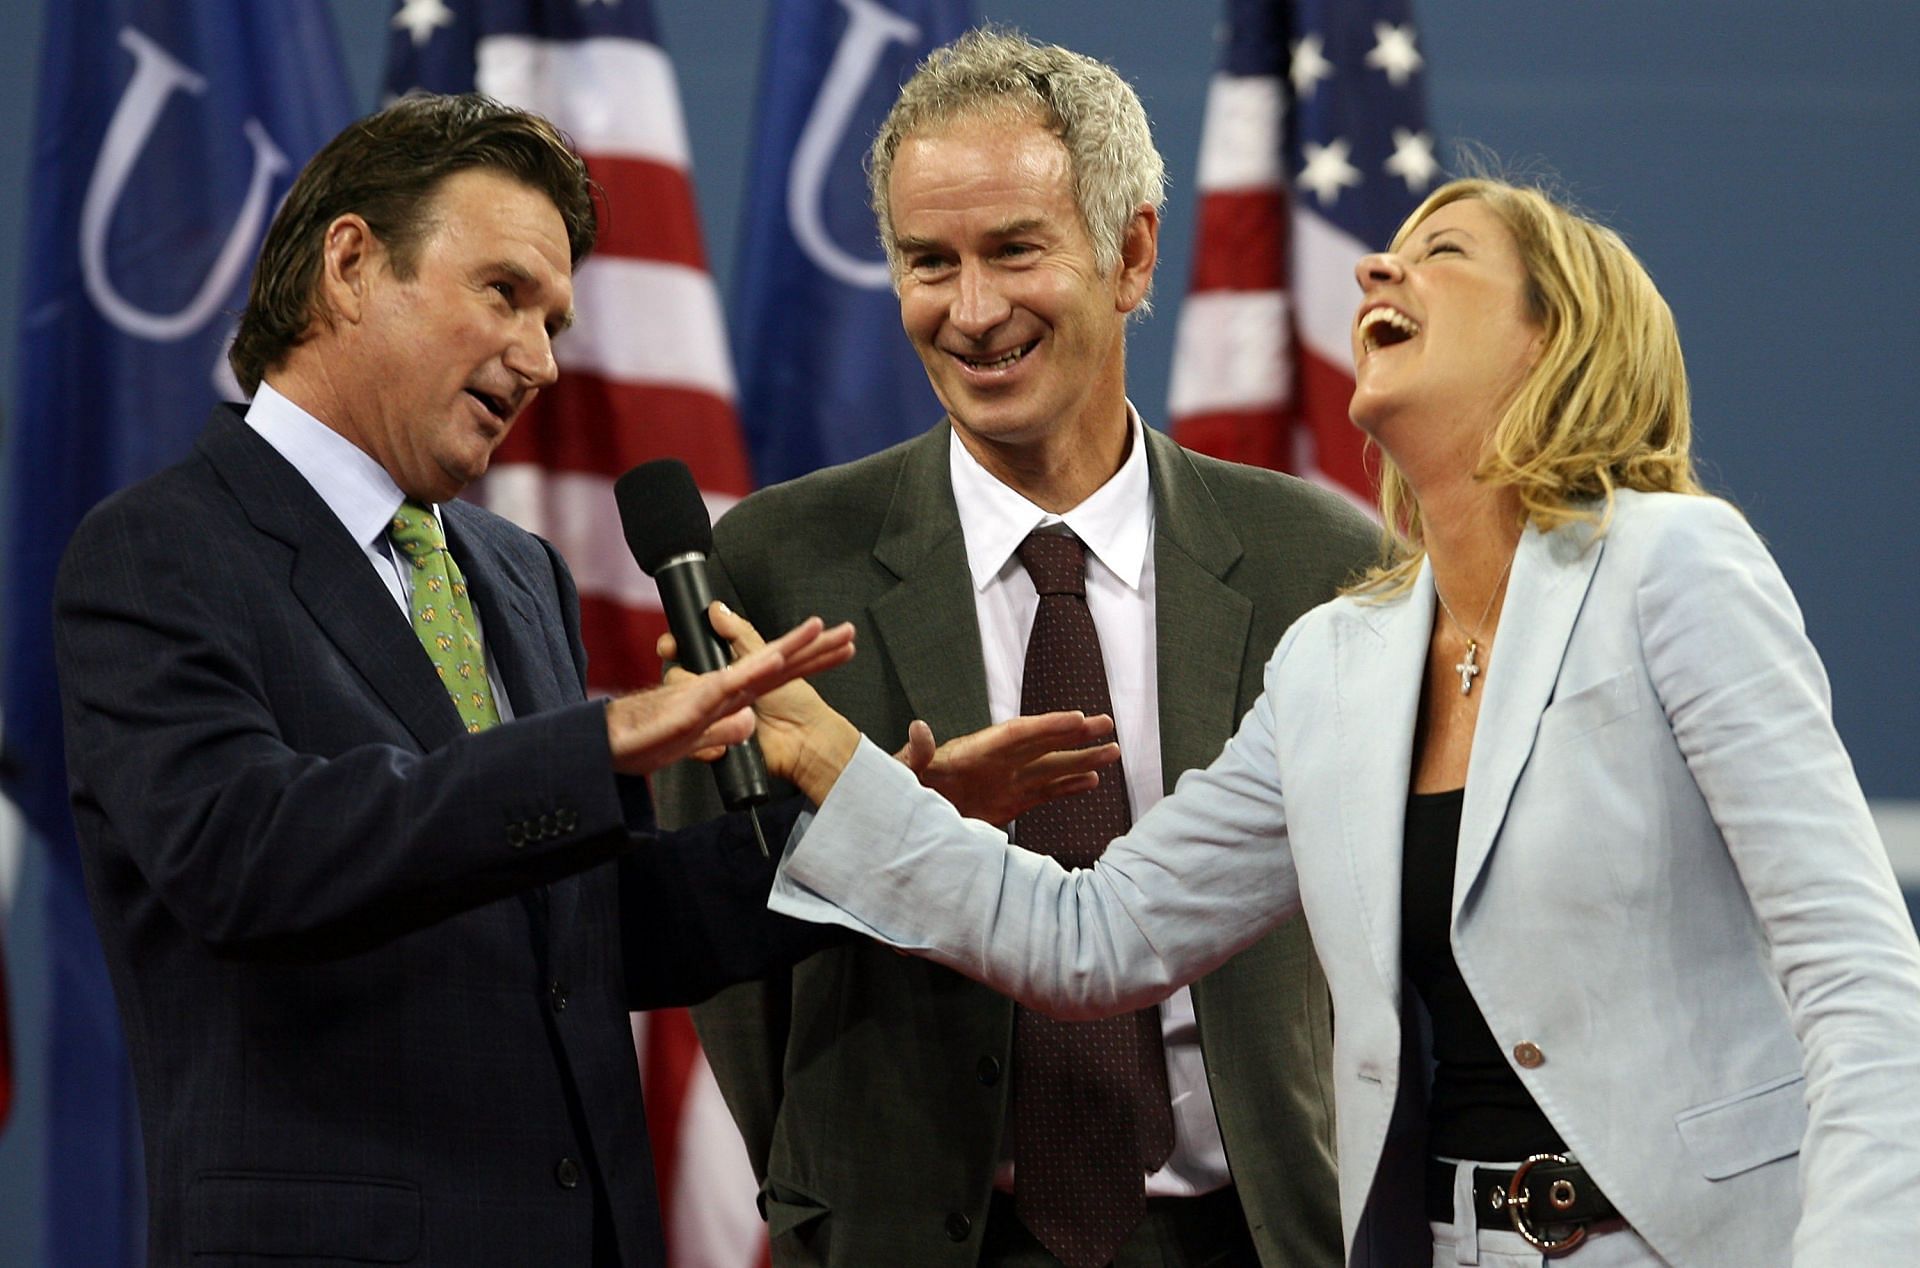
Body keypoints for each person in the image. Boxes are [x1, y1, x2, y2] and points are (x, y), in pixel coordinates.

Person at [751, 177, 1920, 1266]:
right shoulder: (1335, 659)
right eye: (1383, 255)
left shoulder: (1672, 560)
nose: (1373, 274)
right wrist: (838, 766)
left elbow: (1858, 973)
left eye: (1439, 254)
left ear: (1553, 336)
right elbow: (1092, 932)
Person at [50, 93, 867, 1268]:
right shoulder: (161, 549)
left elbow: (588, 929)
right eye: (505, 293)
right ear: (350, 264)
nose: (540, 359)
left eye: (555, 319)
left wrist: (878, 831)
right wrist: (597, 743)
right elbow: (249, 856)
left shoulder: (514, 571)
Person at [655, 28, 1373, 1268]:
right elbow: (721, 946)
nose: (972, 311)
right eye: (928, 261)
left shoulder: (1318, 560)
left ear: (1132, 251)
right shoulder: (777, 564)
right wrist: (832, 1197)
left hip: (1247, 1233)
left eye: (1014, 251)